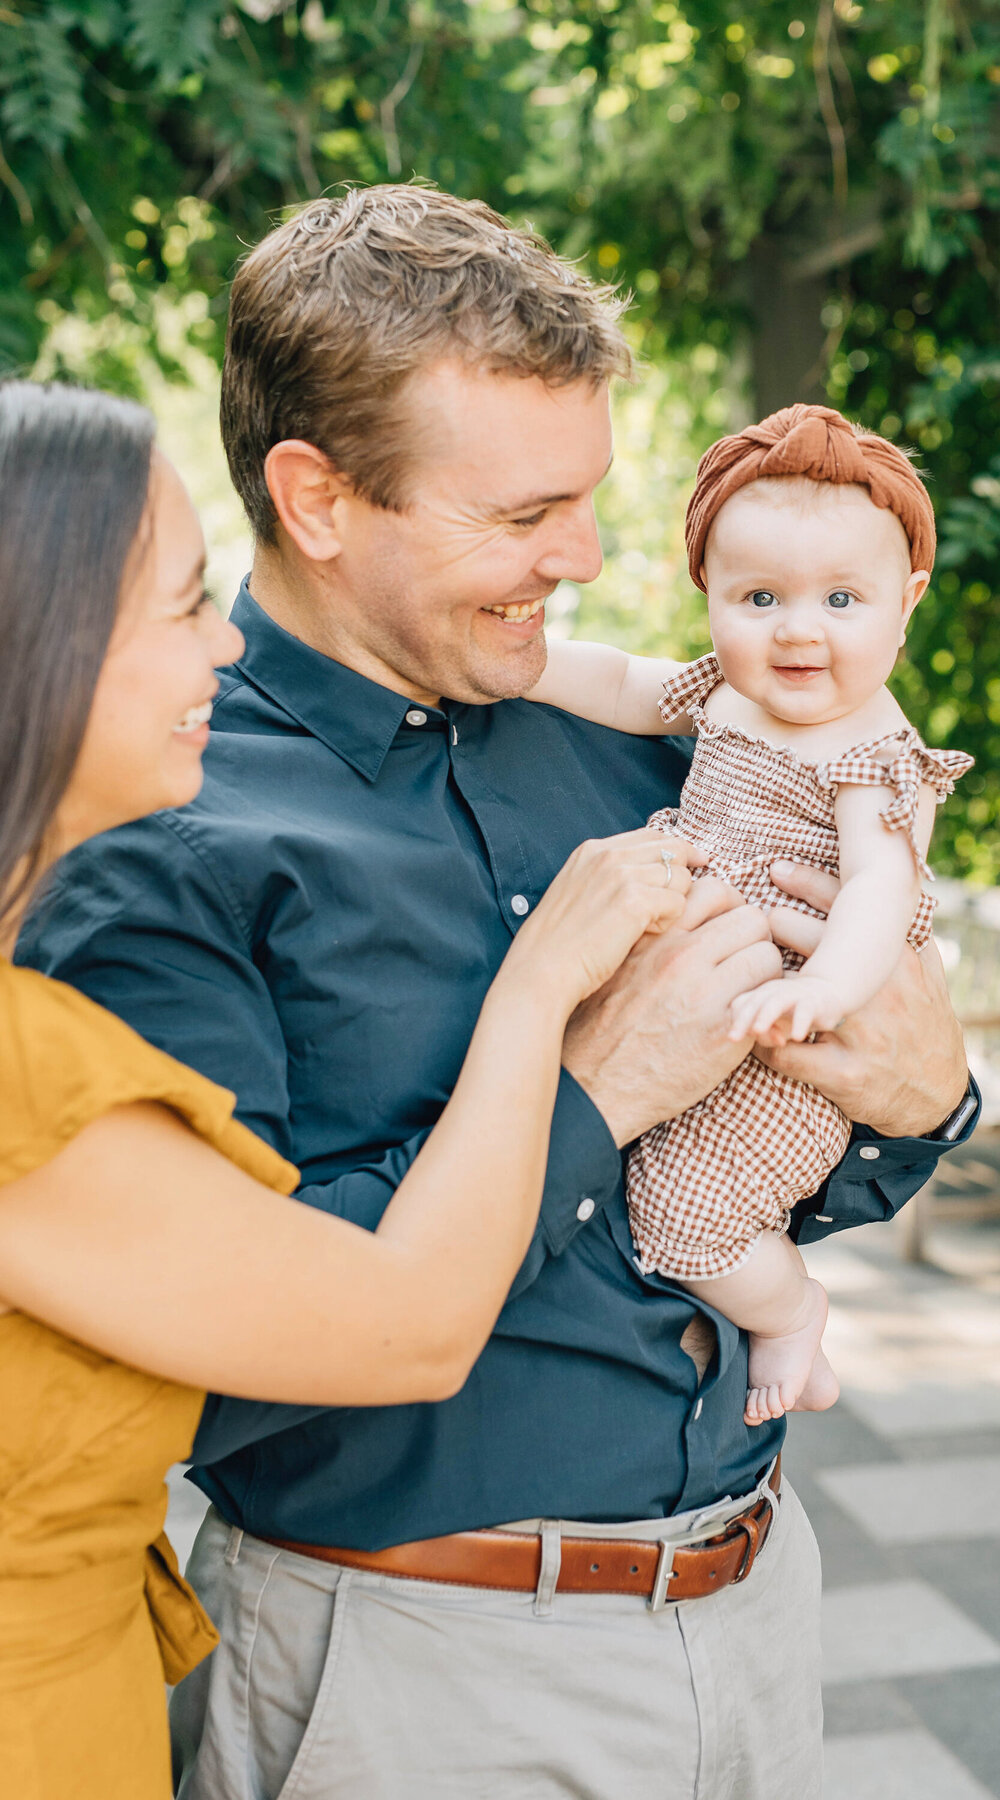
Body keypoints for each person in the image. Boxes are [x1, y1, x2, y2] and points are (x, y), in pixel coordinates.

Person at [20, 187, 978, 1800]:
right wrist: (596, 1094)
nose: (590, 558)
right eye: (523, 513)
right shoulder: (157, 831)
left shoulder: (650, 743)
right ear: (318, 499)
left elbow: (815, 1148)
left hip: (752, 1604)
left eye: (590, 499)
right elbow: (220, 1363)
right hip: (414, 1669)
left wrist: (917, 1094)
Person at [0, 379, 696, 1800]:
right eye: (186, 601)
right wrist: (542, 1003)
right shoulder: (32, 1063)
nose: (223, 640)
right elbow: (403, 1327)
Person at [526, 402, 973, 1426]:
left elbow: (878, 890)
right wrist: (537, 669)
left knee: (690, 1215)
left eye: (842, 599)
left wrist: (823, 988)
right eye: (760, 596)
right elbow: (627, 683)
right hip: (701, 999)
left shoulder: (870, 755)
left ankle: (789, 1314)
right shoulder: (728, 697)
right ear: (712, 598)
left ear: (905, 605)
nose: (798, 629)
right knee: (641, 1176)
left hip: (781, 1031)